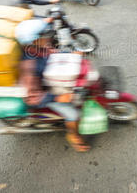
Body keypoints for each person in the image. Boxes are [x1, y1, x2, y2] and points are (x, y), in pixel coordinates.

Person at [15, 19, 90, 152]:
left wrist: (71, 54)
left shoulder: (39, 48)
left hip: (53, 80)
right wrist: (58, 98)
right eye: (44, 35)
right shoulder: (29, 67)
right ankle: (73, 136)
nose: (48, 37)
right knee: (73, 114)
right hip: (45, 94)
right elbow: (32, 97)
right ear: (34, 41)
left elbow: (53, 53)